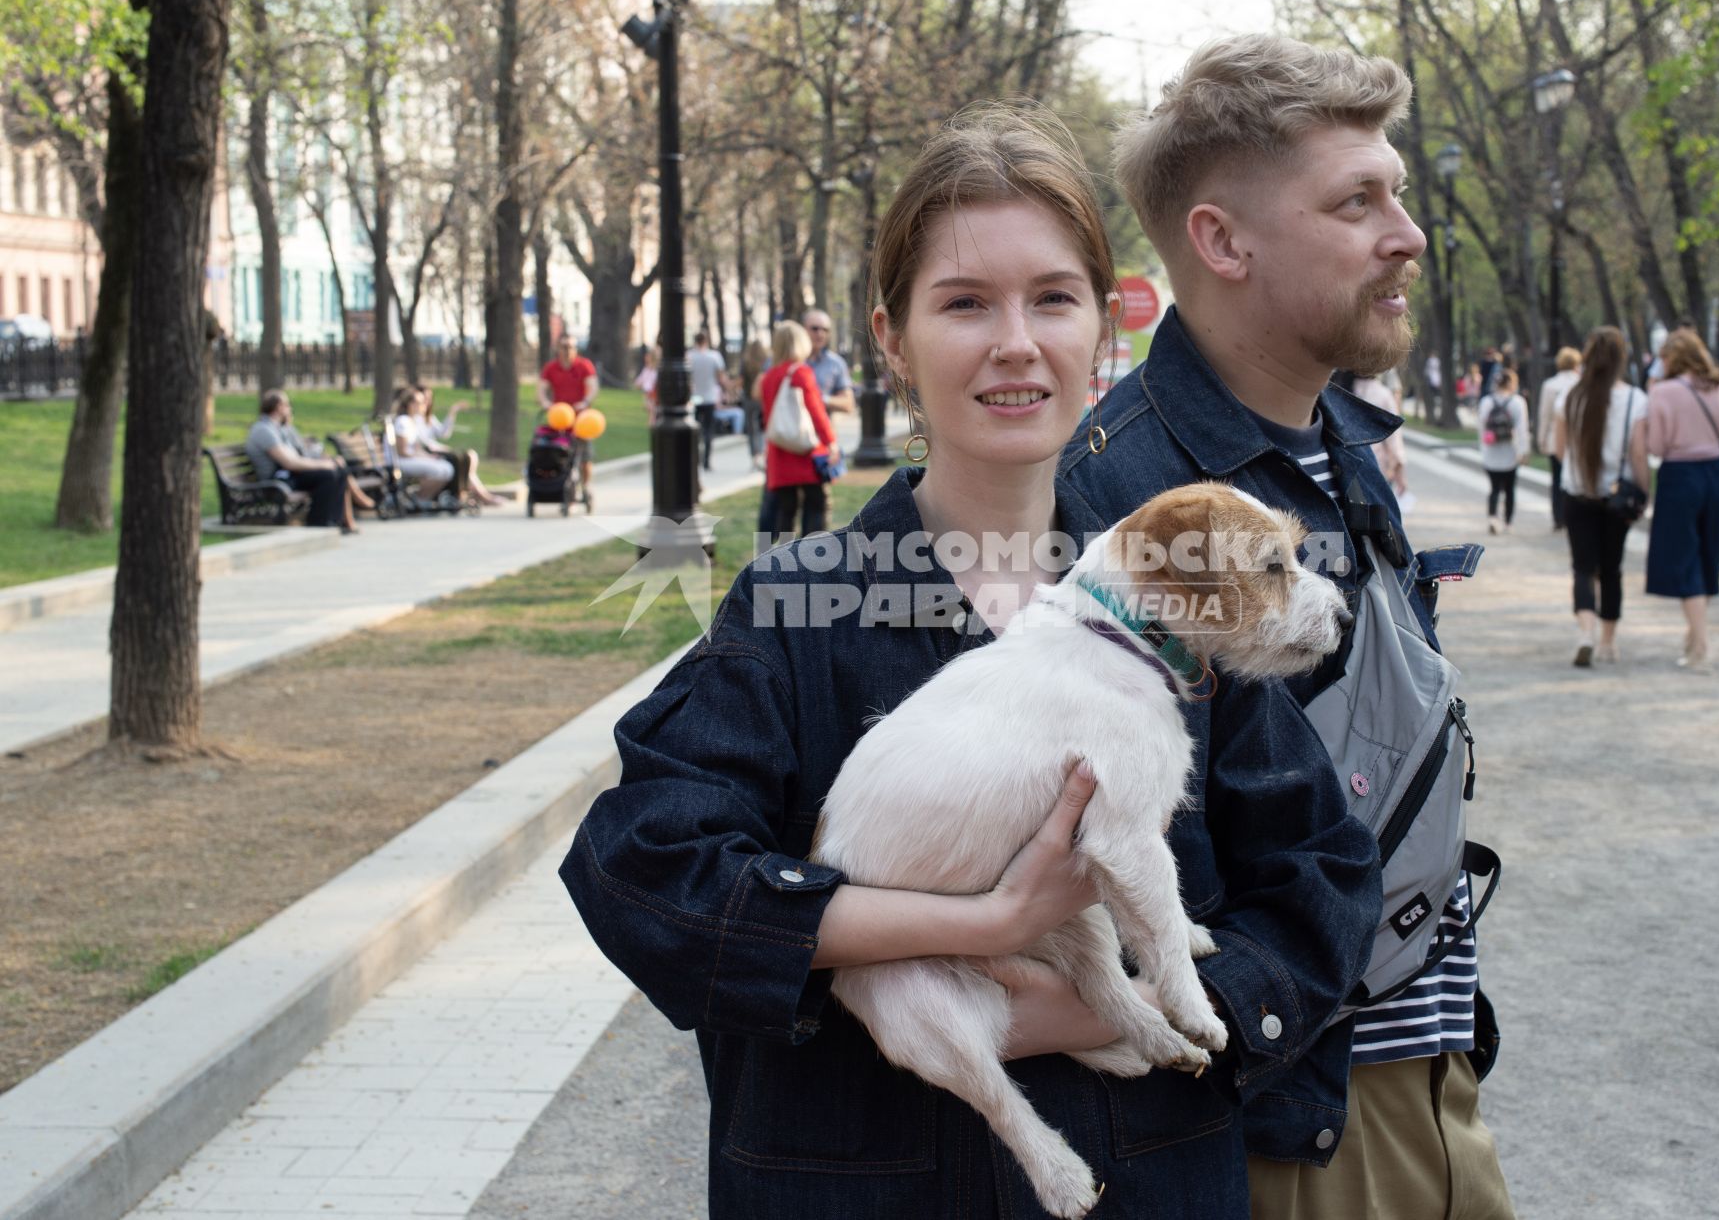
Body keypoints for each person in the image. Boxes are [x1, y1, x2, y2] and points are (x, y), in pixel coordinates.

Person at [559, 104, 1378, 1218]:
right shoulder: (801, 608)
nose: (1015, 342)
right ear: (892, 339)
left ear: (1105, 328)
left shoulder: (1189, 598)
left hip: (1151, 1180)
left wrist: (1102, 1011)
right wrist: (976, 929)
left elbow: (1321, 883)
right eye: (964, 303)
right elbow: (643, 871)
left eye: (1053, 297)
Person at [1067, 34, 1512, 1219]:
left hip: (1426, 1076)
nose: (1407, 233)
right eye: (1357, 200)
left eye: (1399, 194)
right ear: (1222, 241)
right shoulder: (1123, 508)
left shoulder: (1336, 444)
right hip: (1290, 1126)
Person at [1644, 329, 1719, 671]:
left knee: (1684, 558)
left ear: (1674, 358)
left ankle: (1701, 645)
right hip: (1716, 474)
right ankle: (1694, 634)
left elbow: (1655, 446)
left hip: (1680, 476)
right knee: (1707, 554)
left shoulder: (1663, 393)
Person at [1555, 326, 1648, 668]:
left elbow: (1558, 448)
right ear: (1622, 358)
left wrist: (1579, 471)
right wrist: (1644, 489)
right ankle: (1608, 642)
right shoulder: (1635, 400)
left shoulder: (1570, 396)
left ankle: (1585, 634)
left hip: (1577, 493)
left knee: (1582, 568)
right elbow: (1639, 455)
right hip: (1615, 498)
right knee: (1611, 569)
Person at [757, 319, 837, 540]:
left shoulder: (768, 377)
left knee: (786, 511)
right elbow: (816, 411)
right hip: (805, 452)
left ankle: (786, 565)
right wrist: (831, 442)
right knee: (815, 507)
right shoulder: (801, 372)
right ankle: (812, 562)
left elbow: (768, 417)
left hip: (779, 453)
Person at [245, 389, 365, 533]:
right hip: (277, 479)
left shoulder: (280, 428)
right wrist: (324, 464)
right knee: (328, 475)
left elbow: (300, 452)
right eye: (288, 405)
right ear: (278, 407)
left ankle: (335, 521)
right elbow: (289, 463)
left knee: (338, 471)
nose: (290, 409)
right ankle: (319, 524)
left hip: (288, 474)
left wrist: (325, 460)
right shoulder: (264, 430)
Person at [398, 386, 505, 508]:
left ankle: (463, 494)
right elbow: (409, 448)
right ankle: (428, 497)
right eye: (422, 401)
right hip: (418, 456)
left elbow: (439, 435)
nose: (426, 403)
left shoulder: (420, 419)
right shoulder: (406, 421)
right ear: (410, 404)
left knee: (466, 457)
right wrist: (431, 454)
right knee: (455, 463)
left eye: (428, 399)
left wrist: (453, 411)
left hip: (426, 453)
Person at [538, 332, 599, 491]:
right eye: (564, 347)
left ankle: (586, 486)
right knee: (558, 455)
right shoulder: (551, 367)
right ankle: (563, 487)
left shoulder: (584, 365)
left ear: (575, 349)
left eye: (571, 347)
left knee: (585, 457)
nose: (567, 350)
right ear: (558, 348)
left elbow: (592, 386)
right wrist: (545, 403)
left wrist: (585, 402)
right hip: (560, 419)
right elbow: (541, 388)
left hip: (581, 420)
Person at [1477, 366, 1530, 534]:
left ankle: (1493, 518)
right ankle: (1508, 522)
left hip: (1491, 453)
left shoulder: (1486, 402)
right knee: (1509, 489)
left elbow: (1481, 428)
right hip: (1510, 453)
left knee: (1493, 488)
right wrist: (1523, 451)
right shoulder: (1518, 402)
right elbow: (1522, 430)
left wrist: (1483, 449)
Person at [1537, 346, 1582, 530]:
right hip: (1577, 440)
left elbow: (1545, 414)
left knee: (1556, 480)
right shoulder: (1581, 383)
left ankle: (1558, 517)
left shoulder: (1550, 385)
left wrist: (1541, 438)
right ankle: (1573, 516)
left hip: (1555, 439)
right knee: (1575, 479)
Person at [388, 387, 457, 500]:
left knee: (447, 468)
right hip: (399, 461)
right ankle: (420, 498)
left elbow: (416, 448)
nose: (424, 405)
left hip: (408, 459)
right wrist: (425, 458)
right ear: (411, 404)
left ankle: (422, 498)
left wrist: (429, 457)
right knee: (442, 470)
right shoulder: (403, 421)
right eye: (420, 402)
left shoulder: (412, 421)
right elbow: (402, 451)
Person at [1349, 370, 1407, 498]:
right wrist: (1399, 472)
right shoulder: (1383, 395)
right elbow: (1394, 438)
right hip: (1378, 467)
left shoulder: (1342, 390)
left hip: (1348, 467)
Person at [686, 330, 731, 471]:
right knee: (708, 431)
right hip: (710, 397)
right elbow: (721, 377)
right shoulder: (714, 357)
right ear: (706, 341)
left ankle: (696, 458)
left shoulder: (689, 356)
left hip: (695, 397)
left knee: (695, 430)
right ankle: (706, 461)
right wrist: (728, 390)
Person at [802, 306, 857, 419]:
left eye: (825, 330)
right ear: (803, 329)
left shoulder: (836, 363)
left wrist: (819, 398)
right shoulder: (786, 358)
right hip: (787, 433)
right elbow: (758, 391)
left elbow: (848, 404)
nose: (820, 334)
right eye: (815, 328)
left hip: (820, 433)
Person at [740, 336, 769, 468]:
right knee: (763, 426)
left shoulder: (745, 361)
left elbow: (741, 380)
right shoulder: (766, 360)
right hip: (763, 398)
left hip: (748, 398)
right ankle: (763, 452)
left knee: (752, 429)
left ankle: (755, 455)